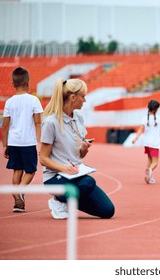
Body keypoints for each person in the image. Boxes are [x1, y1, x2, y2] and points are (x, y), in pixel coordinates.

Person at [39, 78, 115, 219]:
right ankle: (58, 200)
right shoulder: (51, 122)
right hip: (55, 178)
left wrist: (84, 148)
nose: (85, 100)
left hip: (75, 175)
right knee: (89, 182)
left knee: (108, 211)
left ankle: (69, 200)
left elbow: (79, 155)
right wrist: (64, 168)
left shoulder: (79, 117)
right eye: (83, 96)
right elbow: (43, 158)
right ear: (73, 98)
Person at [2, 67, 43, 212]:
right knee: (31, 171)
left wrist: (5, 145)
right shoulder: (33, 100)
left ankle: (18, 203)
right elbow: (38, 122)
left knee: (17, 170)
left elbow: (5, 126)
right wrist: (39, 141)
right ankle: (18, 191)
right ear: (28, 83)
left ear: (13, 83)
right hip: (28, 142)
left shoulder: (9, 102)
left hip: (13, 141)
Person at [132, 99, 160, 184]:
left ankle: (149, 178)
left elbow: (141, 129)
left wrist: (136, 138)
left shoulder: (144, 118)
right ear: (156, 109)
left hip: (146, 143)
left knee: (150, 160)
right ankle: (149, 171)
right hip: (154, 144)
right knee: (155, 162)